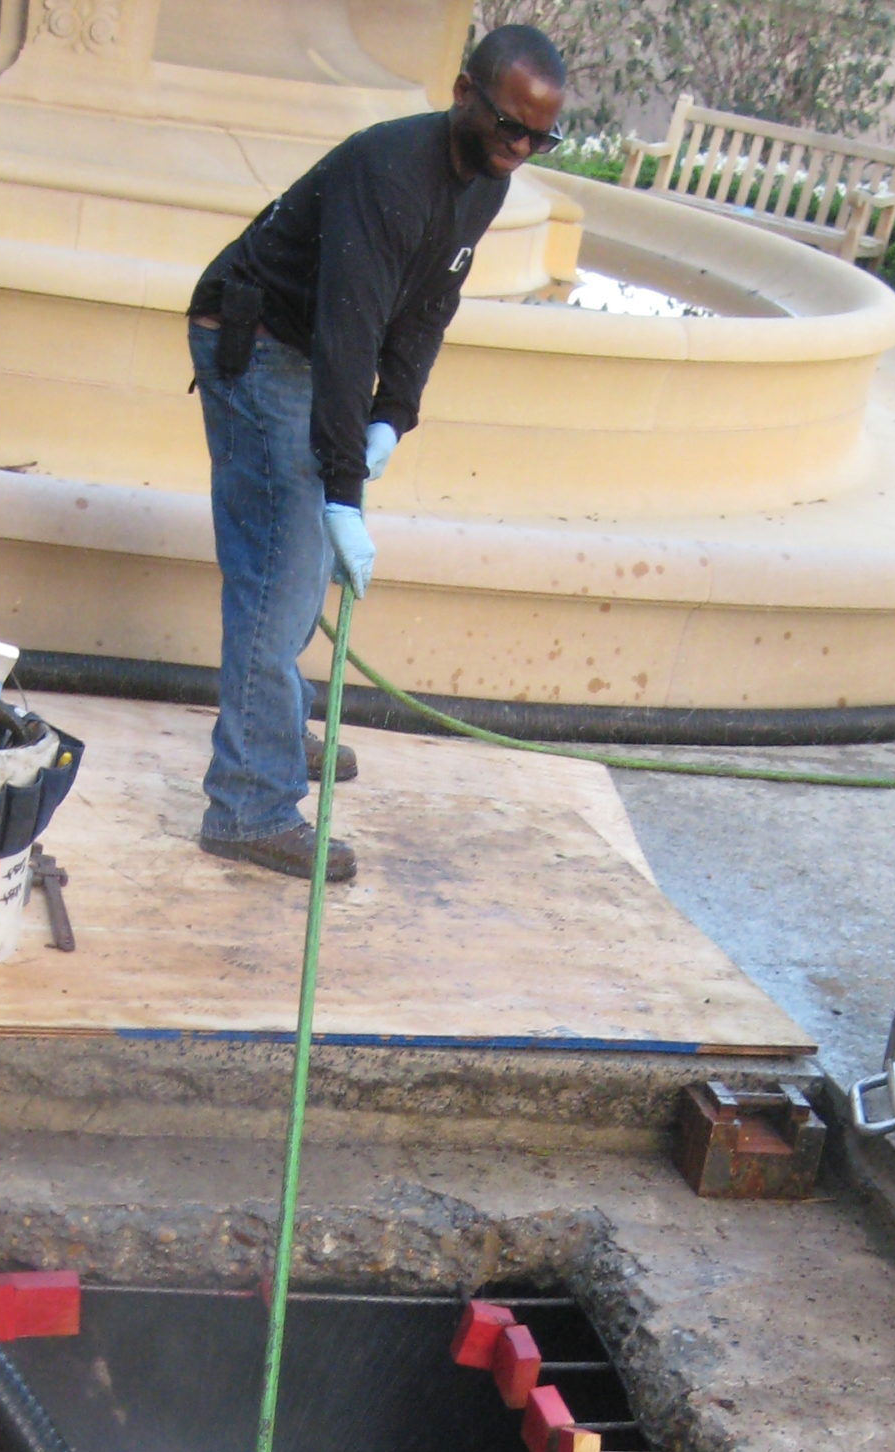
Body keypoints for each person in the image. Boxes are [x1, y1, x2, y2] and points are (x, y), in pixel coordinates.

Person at [187, 23, 568, 882]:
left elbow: (428, 306)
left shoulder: (484, 181)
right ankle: (247, 806)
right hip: (257, 341)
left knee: (299, 559)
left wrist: (393, 415)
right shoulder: (389, 172)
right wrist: (343, 495)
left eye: (541, 137)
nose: (520, 148)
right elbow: (345, 335)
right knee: (280, 573)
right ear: (465, 94)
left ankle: (272, 730)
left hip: (312, 347)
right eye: (510, 125)